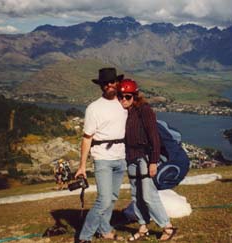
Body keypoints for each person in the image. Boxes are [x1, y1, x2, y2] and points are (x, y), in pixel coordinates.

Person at [118, 79, 176, 242]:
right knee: (137, 195)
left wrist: (153, 161)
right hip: (131, 158)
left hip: (145, 157)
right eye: (120, 96)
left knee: (149, 195)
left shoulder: (145, 110)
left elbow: (154, 137)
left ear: (135, 96)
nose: (123, 99)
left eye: (127, 96)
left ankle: (167, 226)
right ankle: (143, 227)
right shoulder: (125, 112)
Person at [74, 67, 128, 243]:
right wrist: (82, 166)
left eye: (112, 81)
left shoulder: (124, 103)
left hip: (120, 158)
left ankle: (104, 230)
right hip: (103, 159)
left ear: (117, 82)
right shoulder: (94, 108)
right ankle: (84, 237)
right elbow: (87, 138)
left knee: (112, 198)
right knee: (104, 200)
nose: (109, 85)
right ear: (101, 86)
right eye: (105, 83)